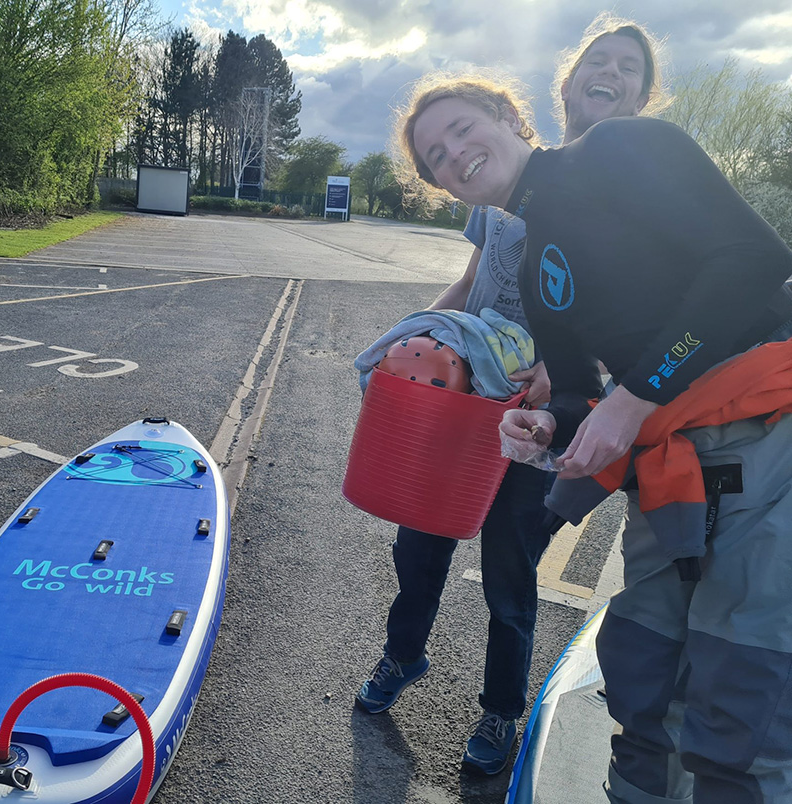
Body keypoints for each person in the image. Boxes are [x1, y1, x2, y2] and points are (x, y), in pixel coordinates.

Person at [404, 38, 792, 804]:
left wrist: (638, 394)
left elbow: (750, 259)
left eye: (461, 128)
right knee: (641, 686)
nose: (455, 153)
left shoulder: (619, 148)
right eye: (436, 156)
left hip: (763, 444)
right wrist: (546, 427)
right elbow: (580, 394)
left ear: (510, 117)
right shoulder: (529, 265)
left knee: (742, 708)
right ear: (445, 187)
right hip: (668, 487)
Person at [355, 15, 666, 777]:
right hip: (473, 394)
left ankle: (501, 712)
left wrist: (564, 369)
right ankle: (403, 656)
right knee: (420, 540)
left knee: (508, 567)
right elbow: (470, 282)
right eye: (599, 59)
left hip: (545, 403)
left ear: (643, 95)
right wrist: (423, 341)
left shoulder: (630, 188)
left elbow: (640, 306)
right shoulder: (496, 184)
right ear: (561, 84)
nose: (610, 73)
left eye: (629, 66)